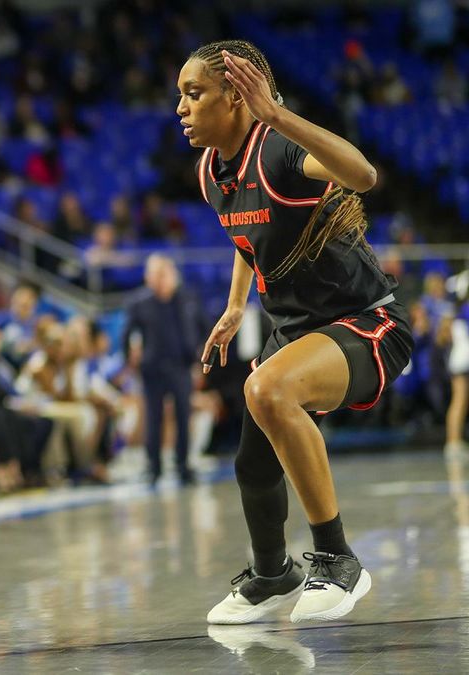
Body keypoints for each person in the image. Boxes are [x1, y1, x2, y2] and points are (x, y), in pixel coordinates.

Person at [178, 41, 413, 625]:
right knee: (252, 464)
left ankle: (337, 559)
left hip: (366, 322)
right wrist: (235, 305)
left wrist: (278, 114)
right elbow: (247, 239)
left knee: (266, 389)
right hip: (297, 331)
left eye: (194, 94)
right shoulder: (212, 172)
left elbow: (363, 175)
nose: (181, 108)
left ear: (237, 96)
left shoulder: (279, 149)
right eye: (180, 95)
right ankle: (271, 573)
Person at [122, 254, 210, 486]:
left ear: (173, 275)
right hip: (152, 369)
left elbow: (205, 329)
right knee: (154, 418)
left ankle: (183, 466)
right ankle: (153, 467)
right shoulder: (139, 303)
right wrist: (130, 358)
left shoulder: (187, 298)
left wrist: (200, 361)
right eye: (154, 274)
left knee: (183, 416)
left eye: (163, 274)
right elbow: (127, 334)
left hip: (181, 366)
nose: (159, 279)